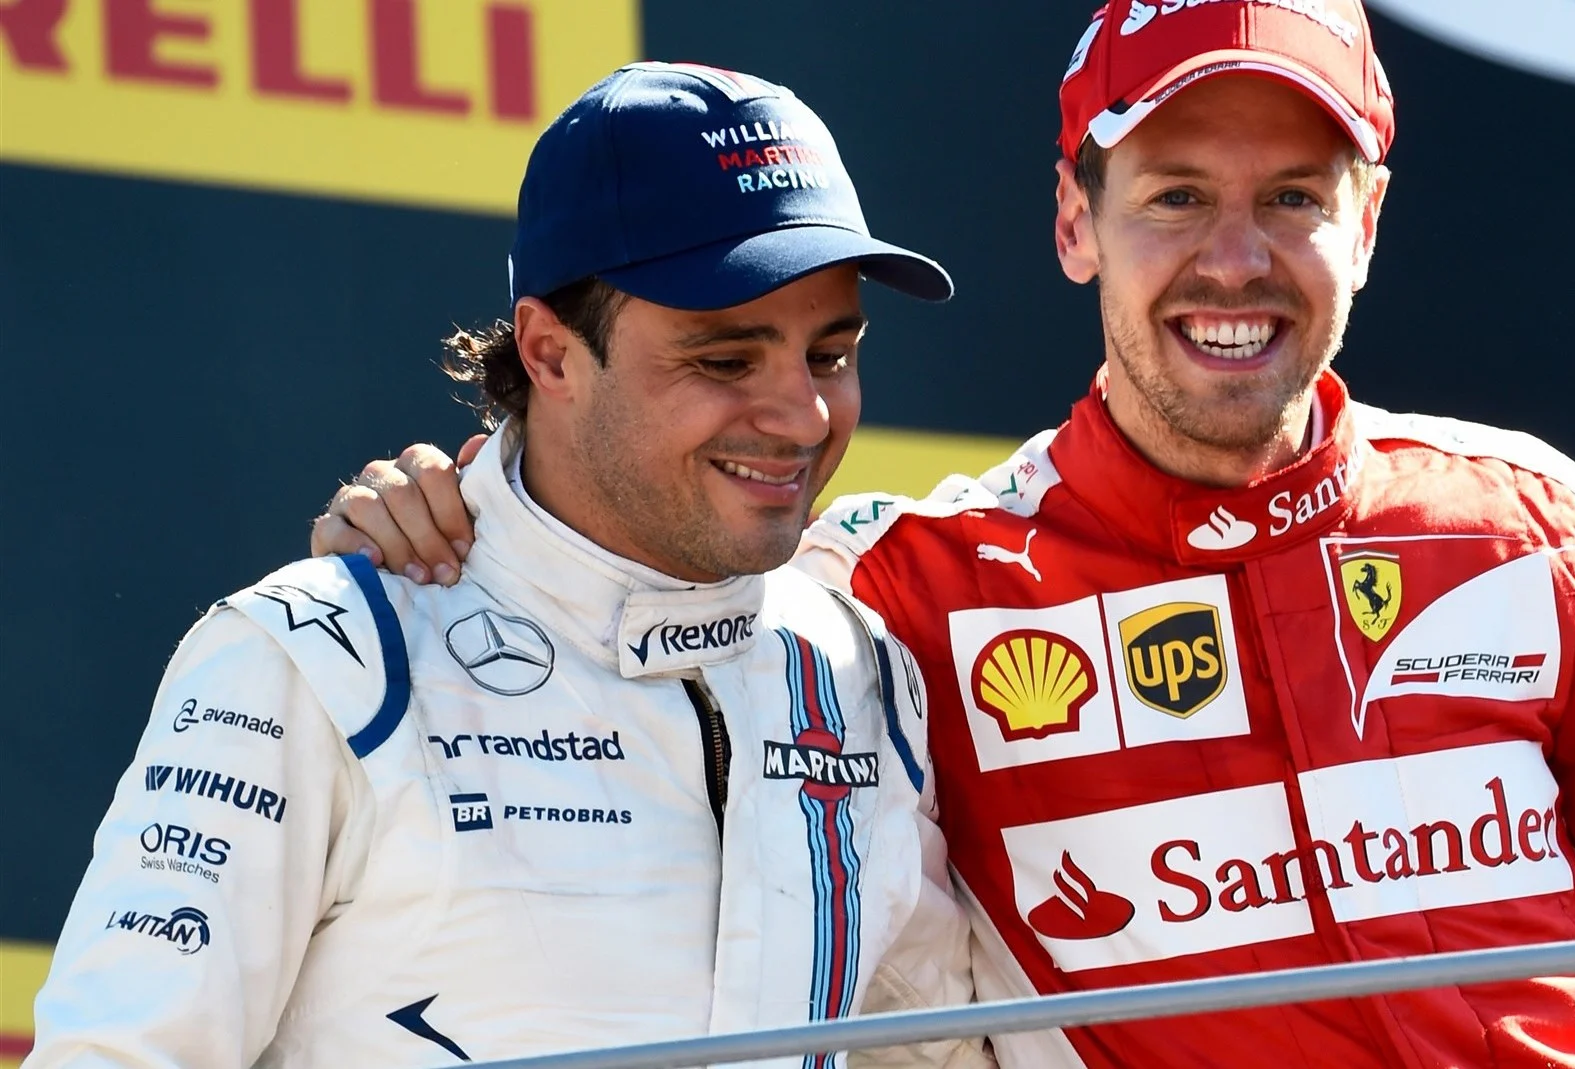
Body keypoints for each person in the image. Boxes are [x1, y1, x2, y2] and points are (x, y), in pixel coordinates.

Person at [311, 5, 1575, 1067]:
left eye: (1297, 197)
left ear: (1370, 222)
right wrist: (461, 506)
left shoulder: (1525, 514)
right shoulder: (898, 587)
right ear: (1077, 224)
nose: (1237, 260)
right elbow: (626, 557)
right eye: (1175, 197)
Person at [29, 62, 992, 1069]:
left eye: (830, 356)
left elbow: (931, 1049)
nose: (802, 416)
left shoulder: (855, 670)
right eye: (722, 361)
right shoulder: (318, 662)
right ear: (551, 352)